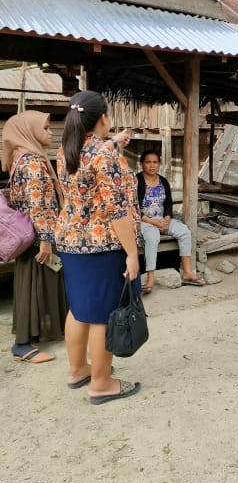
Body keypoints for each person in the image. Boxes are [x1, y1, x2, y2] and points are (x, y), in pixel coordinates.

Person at [55, 91, 141, 404]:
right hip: (103, 245)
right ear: (102, 118)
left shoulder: (66, 150)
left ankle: (78, 370)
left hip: (71, 240)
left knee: (78, 310)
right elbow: (117, 210)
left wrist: (115, 142)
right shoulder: (106, 158)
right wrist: (131, 253)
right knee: (104, 315)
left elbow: (92, 163)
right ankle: (102, 383)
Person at [2, 110, 68, 363]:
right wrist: (46, 239)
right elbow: (37, 203)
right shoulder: (32, 162)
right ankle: (22, 345)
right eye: (46, 128)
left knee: (38, 282)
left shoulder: (20, 158)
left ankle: (39, 333)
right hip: (38, 235)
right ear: (29, 131)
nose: (51, 132)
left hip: (29, 233)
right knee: (34, 285)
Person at [136, 149, 204, 292]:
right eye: (148, 162)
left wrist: (166, 219)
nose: (152, 165)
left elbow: (168, 204)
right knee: (152, 238)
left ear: (159, 164)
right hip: (144, 221)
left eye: (155, 162)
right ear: (142, 164)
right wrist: (153, 222)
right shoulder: (136, 181)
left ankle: (187, 272)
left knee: (184, 232)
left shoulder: (163, 181)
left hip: (162, 220)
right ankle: (150, 279)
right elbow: (133, 208)